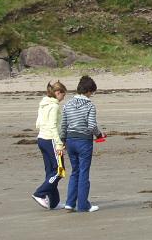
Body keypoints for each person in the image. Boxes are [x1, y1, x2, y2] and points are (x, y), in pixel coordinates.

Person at [61, 76, 103, 213]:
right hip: (84, 141)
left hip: (70, 141)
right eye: (92, 93)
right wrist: (99, 134)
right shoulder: (90, 105)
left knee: (75, 172)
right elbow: (91, 126)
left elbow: (63, 124)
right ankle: (83, 205)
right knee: (84, 173)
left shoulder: (67, 104)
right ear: (89, 91)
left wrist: (63, 140)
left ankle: (69, 203)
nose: (92, 95)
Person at [31, 81, 67, 210]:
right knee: (59, 172)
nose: (64, 98)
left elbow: (38, 122)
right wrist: (59, 143)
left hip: (42, 139)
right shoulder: (54, 106)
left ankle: (54, 202)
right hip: (50, 140)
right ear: (58, 93)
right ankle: (39, 193)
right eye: (63, 95)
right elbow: (52, 126)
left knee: (50, 172)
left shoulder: (44, 104)